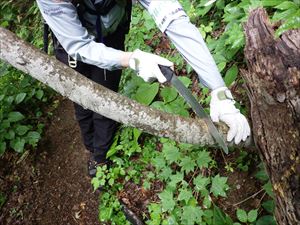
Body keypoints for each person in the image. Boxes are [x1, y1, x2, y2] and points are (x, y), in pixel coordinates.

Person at [36, 0, 251, 177]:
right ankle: (89, 144)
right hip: (70, 45)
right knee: (81, 101)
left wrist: (219, 89)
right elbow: (79, 46)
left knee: (104, 99)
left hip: (111, 34)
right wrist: (132, 60)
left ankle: (99, 157)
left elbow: (174, 20)